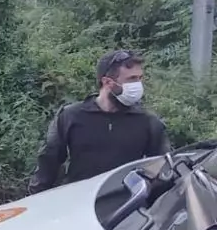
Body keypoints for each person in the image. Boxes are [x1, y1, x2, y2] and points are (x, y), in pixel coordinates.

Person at [29, 49, 170, 194]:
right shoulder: (71, 116)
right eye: (131, 79)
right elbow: (48, 162)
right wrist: (35, 203)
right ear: (107, 82)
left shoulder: (148, 121)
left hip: (125, 207)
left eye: (140, 78)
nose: (138, 85)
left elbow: (162, 169)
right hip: (78, 202)